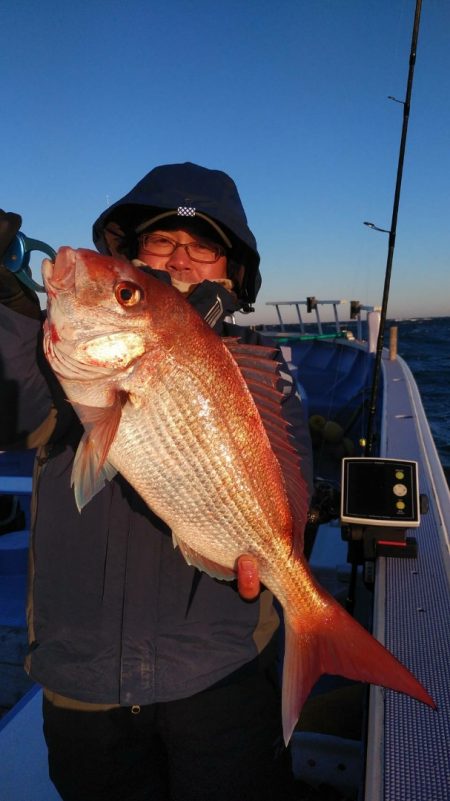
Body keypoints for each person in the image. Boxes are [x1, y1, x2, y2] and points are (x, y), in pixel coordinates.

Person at [0, 163, 313, 801]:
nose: (181, 258)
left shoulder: (266, 374)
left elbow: (286, 475)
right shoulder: (54, 362)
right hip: (83, 679)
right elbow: (16, 407)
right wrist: (7, 304)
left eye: (204, 246)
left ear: (232, 272)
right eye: (160, 242)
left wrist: (278, 556)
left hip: (219, 671)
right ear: (135, 256)